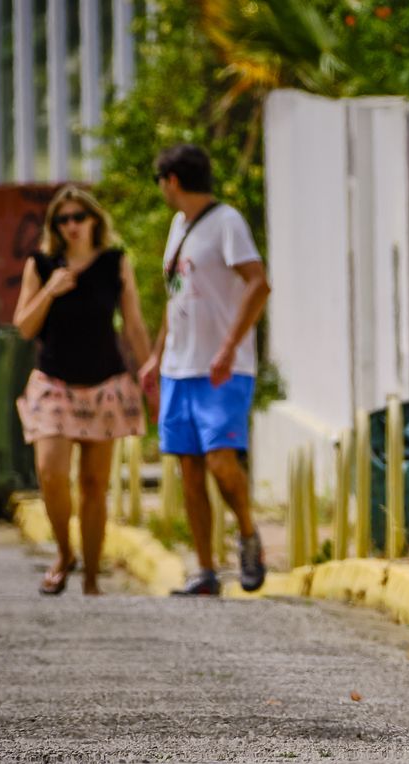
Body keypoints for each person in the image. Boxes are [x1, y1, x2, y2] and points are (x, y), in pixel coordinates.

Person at [137, 144, 271, 595]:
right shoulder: (178, 227)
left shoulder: (227, 222)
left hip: (221, 368)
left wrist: (230, 347)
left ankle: (249, 535)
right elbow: (177, 298)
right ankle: (206, 569)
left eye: (161, 183)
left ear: (171, 180)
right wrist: (157, 355)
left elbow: (259, 282)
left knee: (220, 461)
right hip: (179, 367)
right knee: (190, 469)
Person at [13, 186, 152, 595]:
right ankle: (63, 554)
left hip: (104, 385)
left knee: (94, 485)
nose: (71, 226)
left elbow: (134, 325)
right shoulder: (41, 265)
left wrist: (148, 376)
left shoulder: (114, 263)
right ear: (54, 226)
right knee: (51, 473)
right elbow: (23, 326)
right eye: (63, 220)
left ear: (94, 220)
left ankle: (91, 577)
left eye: (79, 217)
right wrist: (50, 290)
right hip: (54, 383)